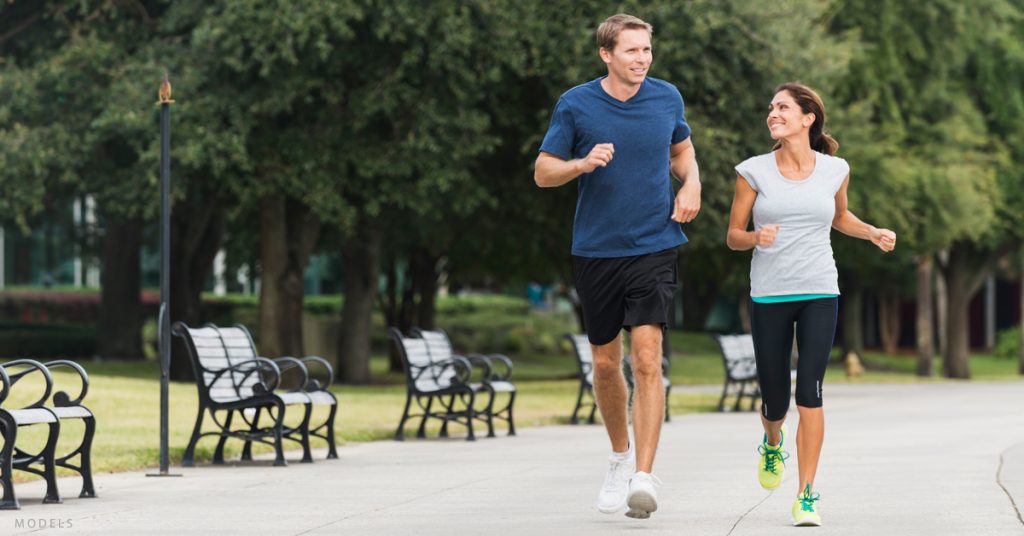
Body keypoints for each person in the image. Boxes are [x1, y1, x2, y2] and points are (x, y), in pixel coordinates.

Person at [534, 13, 700, 519]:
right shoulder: (577, 104)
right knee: (606, 364)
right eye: (632, 51)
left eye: (647, 50)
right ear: (606, 54)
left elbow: (682, 150)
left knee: (647, 357)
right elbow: (543, 173)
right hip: (596, 250)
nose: (643, 59)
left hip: (654, 242)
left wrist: (691, 184)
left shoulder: (666, 96)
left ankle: (644, 477)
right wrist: (581, 164)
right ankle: (619, 456)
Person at [726, 82, 896, 526]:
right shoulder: (753, 172)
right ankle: (771, 441)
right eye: (771, 108)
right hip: (769, 294)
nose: (772, 114)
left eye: (782, 107)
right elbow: (733, 236)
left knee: (810, 394)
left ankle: (806, 495)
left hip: (820, 290)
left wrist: (872, 231)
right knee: (776, 401)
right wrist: (755, 238)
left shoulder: (835, 169)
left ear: (808, 118)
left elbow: (840, 216)